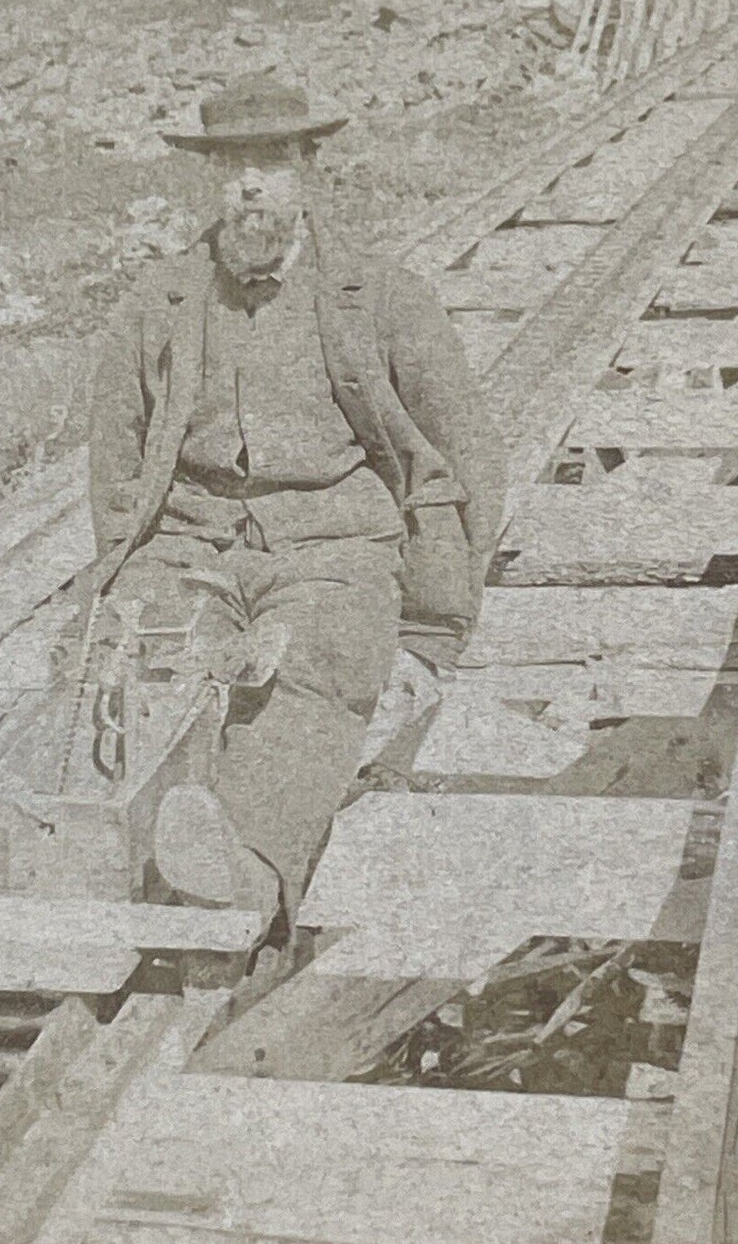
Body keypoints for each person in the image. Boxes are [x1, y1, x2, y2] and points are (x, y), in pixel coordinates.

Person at [86, 73, 504, 942]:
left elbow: (463, 448)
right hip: (191, 543)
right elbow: (115, 453)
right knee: (131, 668)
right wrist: (123, 568)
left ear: (305, 166)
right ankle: (95, 861)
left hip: (334, 546)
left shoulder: (379, 296)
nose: (249, 185)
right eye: (233, 164)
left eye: (270, 162)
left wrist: (440, 618)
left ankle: (243, 867)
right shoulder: (159, 300)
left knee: (315, 670)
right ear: (212, 176)